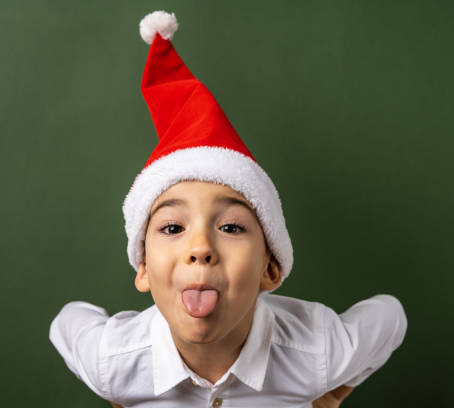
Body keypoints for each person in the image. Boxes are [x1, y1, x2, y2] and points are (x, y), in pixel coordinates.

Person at [49, 11, 407, 408]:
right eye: (172, 228)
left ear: (271, 269)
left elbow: (389, 316)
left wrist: (335, 389)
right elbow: (68, 321)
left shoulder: (318, 353)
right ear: (145, 269)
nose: (200, 247)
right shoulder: (112, 362)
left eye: (232, 228)